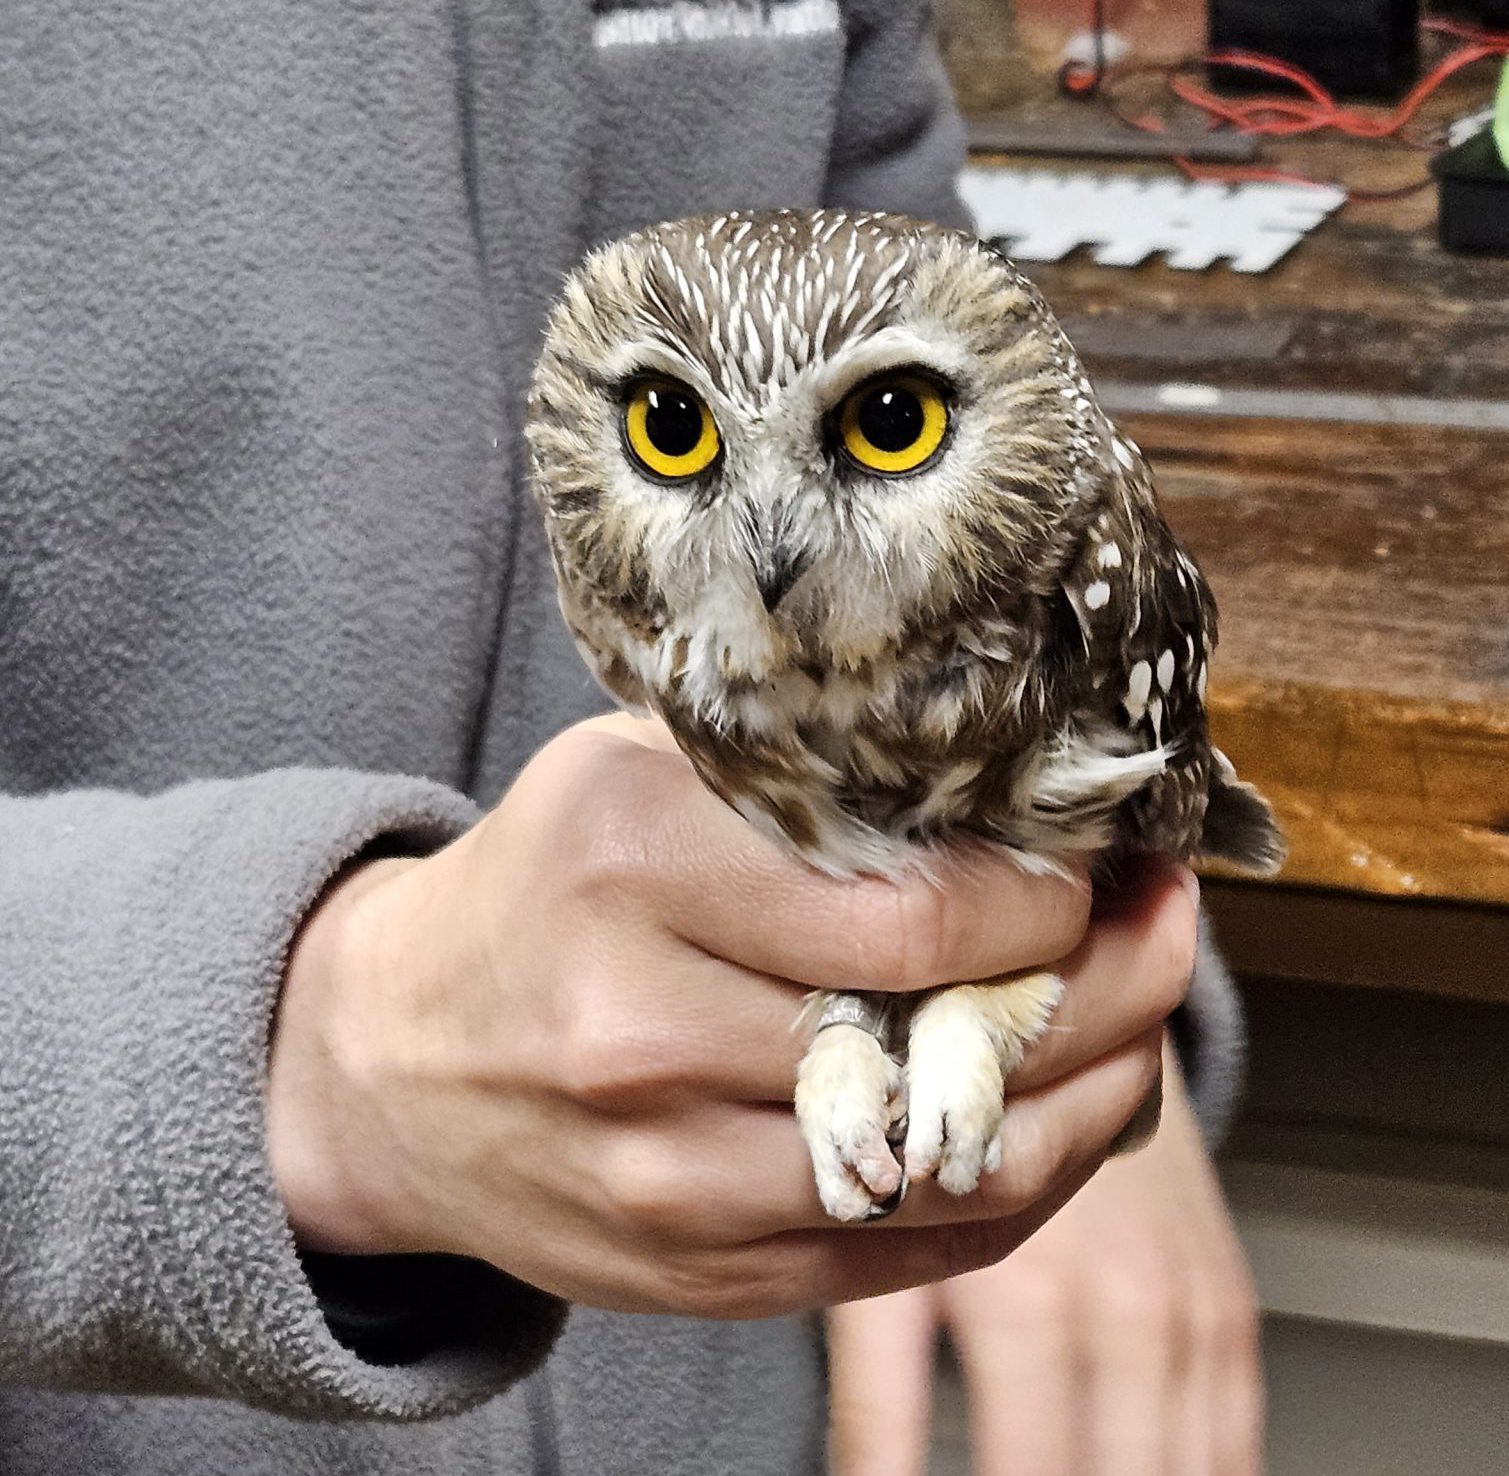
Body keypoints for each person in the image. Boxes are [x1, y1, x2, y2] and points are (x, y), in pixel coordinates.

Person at [0, 1, 1262, 1471]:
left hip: (735, 1375)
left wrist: (1048, 981)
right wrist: (274, 1060)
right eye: (670, 432)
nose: (776, 543)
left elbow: (936, 315)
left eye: (886, 431)